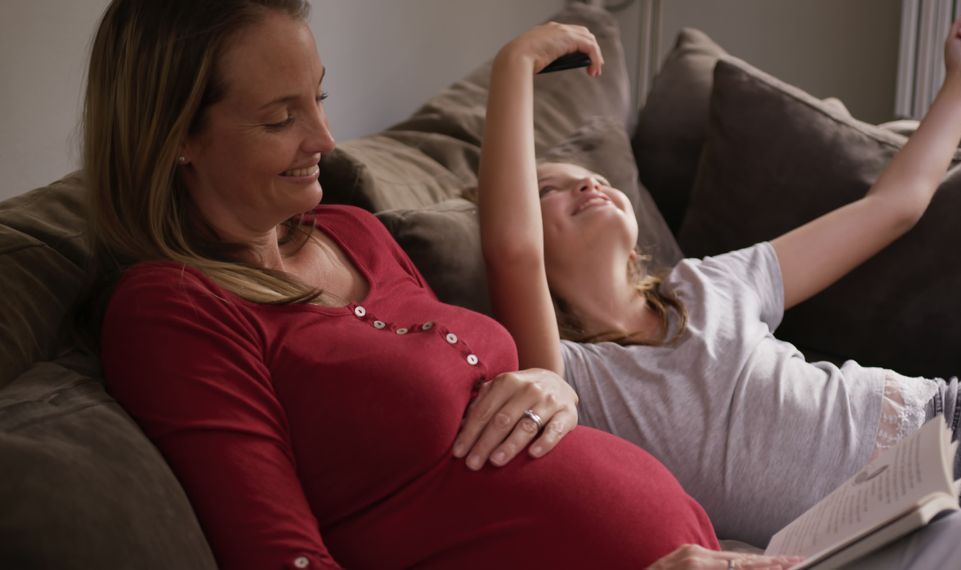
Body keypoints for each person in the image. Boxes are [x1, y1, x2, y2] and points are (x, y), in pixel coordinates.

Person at [84, 1, 769, 568]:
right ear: (177, 137)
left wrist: (551, 384)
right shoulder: (172, 312)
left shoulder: (352, 230)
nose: (325, 137)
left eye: (318, 98)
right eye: (280, 117)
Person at [477, 9, 961, 552]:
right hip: (882, 539)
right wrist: (516, 62)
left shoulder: (712, 284)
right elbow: (512, 249)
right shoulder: (568, 373)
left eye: (590, 178)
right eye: (545, 192)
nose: (586, 185)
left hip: (952, 419)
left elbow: (893, 206)